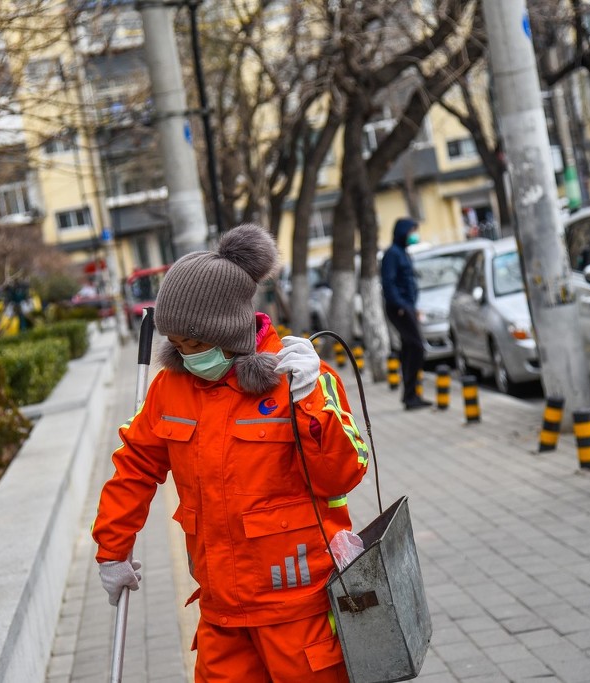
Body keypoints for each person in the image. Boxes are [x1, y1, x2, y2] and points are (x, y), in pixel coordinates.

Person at [91, 223, 370, 681]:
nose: (188, 356)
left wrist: (311, 402)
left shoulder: (299, 378)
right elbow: (135, 465)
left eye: (197, 344)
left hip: (300, 607)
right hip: (220, 609)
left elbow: (343, 475)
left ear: (231, 328)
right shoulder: (172, 387)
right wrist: (111, 549)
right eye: (177, 346)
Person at [382, 217, 432, 410]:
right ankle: (411, 395)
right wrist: (401, 305)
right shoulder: (392, 254)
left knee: (409, 349)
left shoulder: (402, 252)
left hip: (407, 306)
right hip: (400, 308)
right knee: (417, 347)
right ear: (403, 232)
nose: (414, 235)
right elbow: (389, 282)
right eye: (411, 231)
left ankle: (410, 396)